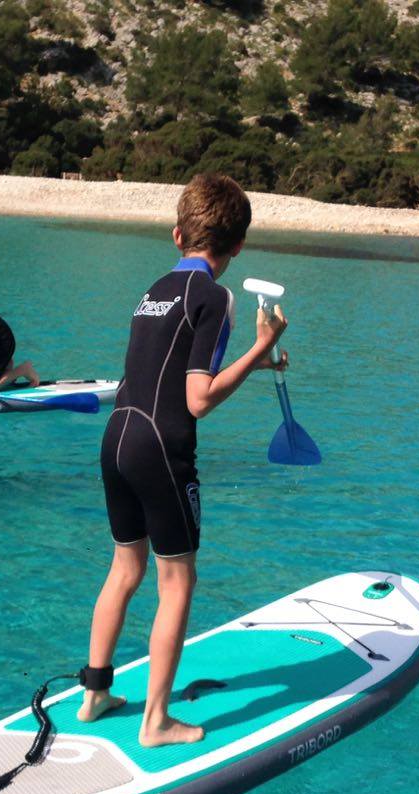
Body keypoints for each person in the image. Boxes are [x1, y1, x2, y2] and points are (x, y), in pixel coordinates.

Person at [76, 173, 288, 748]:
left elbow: (161, 373)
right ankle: (156, 721)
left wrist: (255, 363)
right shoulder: (217, 297)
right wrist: (261, 347)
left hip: (117, 435)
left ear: (177, 235)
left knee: (125, 569)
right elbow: (197, 398)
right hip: (160, 449)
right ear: (238, 246)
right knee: (177, 581)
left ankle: (95, 694)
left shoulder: (154, 288)